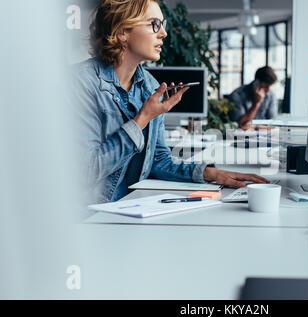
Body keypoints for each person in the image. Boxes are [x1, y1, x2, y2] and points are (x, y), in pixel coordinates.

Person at [71, 0, 269, 204]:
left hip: (129, 207)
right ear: (122, 32)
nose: (164, 33)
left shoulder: (149, 85)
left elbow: (158, 160)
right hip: (89, 215)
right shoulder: (80, 83)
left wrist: (210, 174)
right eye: (154, 24)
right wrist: (143, 118)